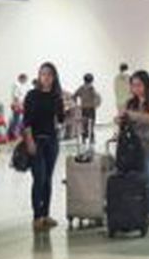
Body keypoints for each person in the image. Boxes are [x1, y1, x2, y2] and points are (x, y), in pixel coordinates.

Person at [119, 70, 149, 230]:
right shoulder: (129, 103)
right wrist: (121, 119)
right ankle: (146, 214)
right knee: (141, 184)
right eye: (133, 85)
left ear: (146, 85)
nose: (136, 88)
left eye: (139, 85)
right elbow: (125, 120)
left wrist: (133, 115)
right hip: (134, 149)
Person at [22, 62, 65, 232]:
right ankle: (37, 216)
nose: (46, 77)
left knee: (48, 179)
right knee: (38, 178)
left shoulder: (56, 97)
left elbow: (61, 120)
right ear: (39, 77)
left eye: (49, 74)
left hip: (52, 142)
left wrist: (66, 106)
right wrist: (29, 141)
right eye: (43, 74)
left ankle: (46, 214)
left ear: (54, 78)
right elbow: (26, 121)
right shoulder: (32, 95)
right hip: (36, 141)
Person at [73, 74, 101, 144]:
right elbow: (97, 96)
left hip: (84, 108)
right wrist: (96, 104)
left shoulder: (81, 88)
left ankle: (84, 138)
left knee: (85, 124)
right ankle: (91, 138)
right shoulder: (91, 88)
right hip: (91, 108)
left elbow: (74, 96)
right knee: (91, 124)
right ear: (91, 81)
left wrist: (77, 105)